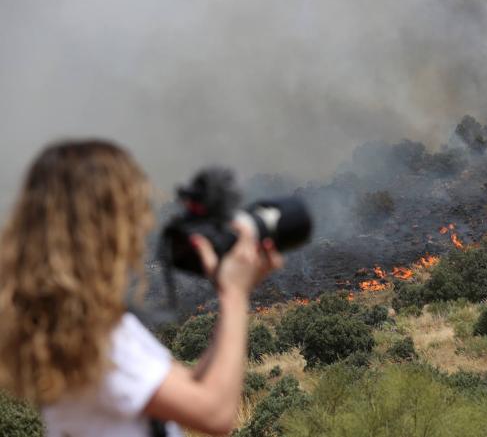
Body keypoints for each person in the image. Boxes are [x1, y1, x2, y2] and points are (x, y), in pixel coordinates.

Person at [0, 140, 283, 436]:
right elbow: (216, 414)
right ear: (103, 227)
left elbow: (191, 387)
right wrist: (235, 296)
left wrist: (230, 293)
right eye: (131, 210)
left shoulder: (77, 329)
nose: (143, 223)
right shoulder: (99, 342)